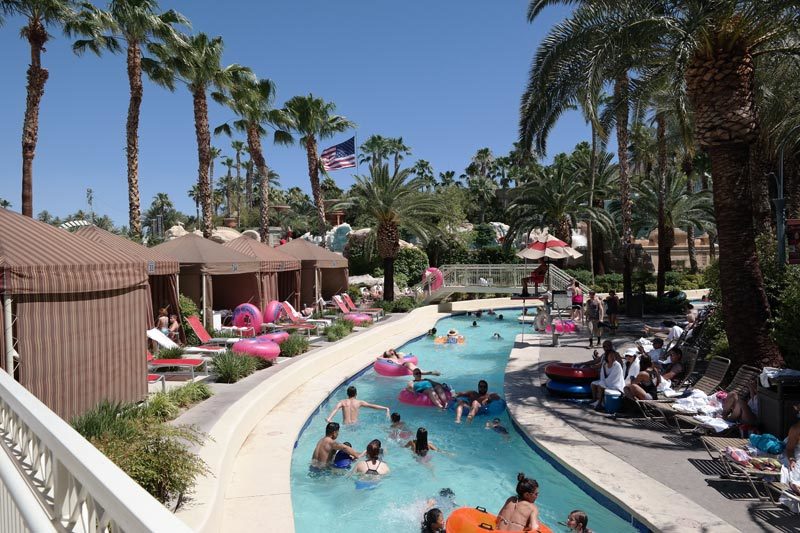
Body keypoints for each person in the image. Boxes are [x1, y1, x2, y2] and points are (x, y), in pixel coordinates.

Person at [326, 385, 390, 424]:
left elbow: (335, 410)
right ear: (356, 394)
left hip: (346, 425)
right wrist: (385, 408)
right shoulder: (359, 402)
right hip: (355, 425)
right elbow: (372, 406)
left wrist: (329, 418)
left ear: (347, 394)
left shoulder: (342, 402)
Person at [779, 403, 800, 510]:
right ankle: (795, 487)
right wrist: (791, 459)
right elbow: (790, 449)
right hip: (797, 452)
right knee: (796, 470)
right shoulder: (796, 429)